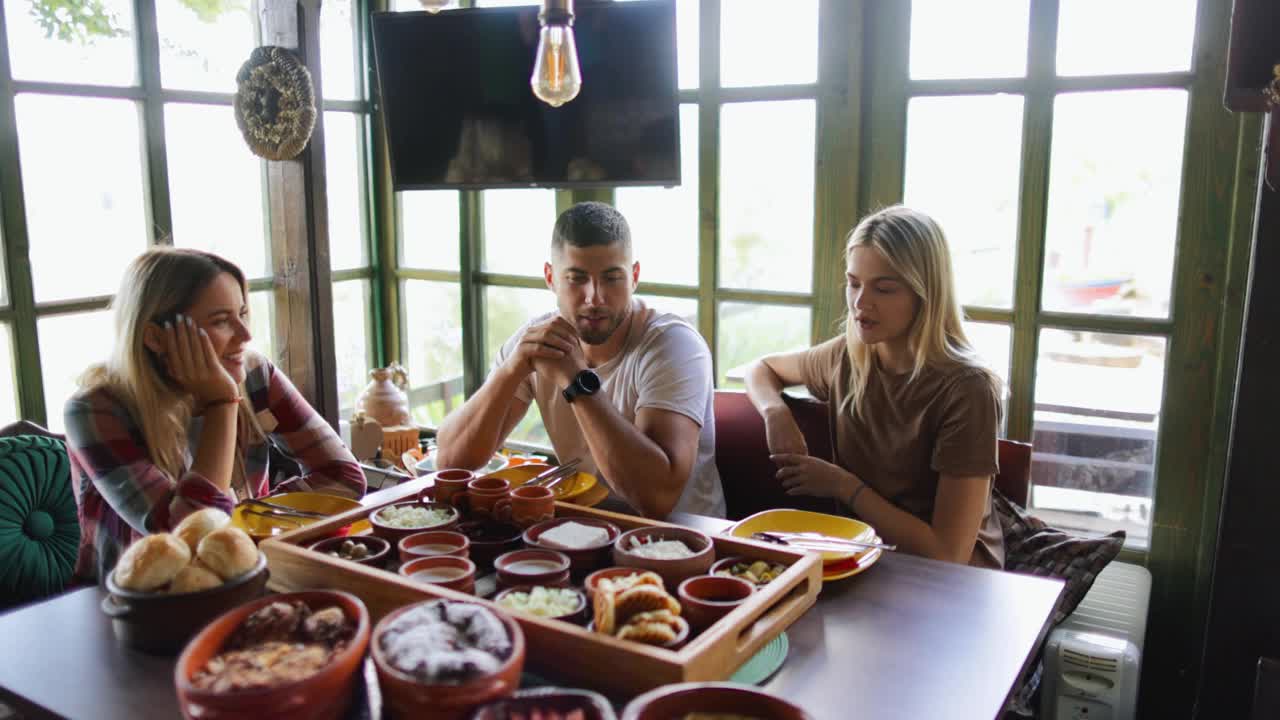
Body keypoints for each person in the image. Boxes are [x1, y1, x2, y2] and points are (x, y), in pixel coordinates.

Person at [65, 248, 365, 581]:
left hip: (240, 574)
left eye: (242, 313)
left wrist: (253, 518)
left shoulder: (254, 374)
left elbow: (344, 477)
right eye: (221, 321)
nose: (245, 335)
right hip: (134, 602)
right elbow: (190, 535)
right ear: (155, 337)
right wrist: (222, 403)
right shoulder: (94, 411)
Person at [744, 206, 1004, 568]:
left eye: (883, 288)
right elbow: (761, 368)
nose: (860, 304)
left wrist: (843, 486)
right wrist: (775, 413)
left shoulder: (967, 390)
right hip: (869, 560)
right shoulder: (848, 356)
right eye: (853, 283)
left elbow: (949, 554)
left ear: (924, 293)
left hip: (953, 582)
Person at [436, 201, 725, 519]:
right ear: (550, 277)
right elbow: (450, 463)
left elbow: (656, 499)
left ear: (635, 276)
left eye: (612, 278)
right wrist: (510, 371)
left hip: (683, 545)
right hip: (582, 532)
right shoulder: (536, 340)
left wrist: (577, 382)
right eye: (577, 278)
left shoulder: (672, 345)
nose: (595, 298)